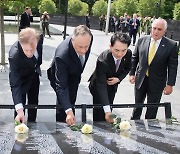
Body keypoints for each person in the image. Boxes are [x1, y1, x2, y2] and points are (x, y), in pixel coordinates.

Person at [129, 18, 178, 120]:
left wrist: (170, 84)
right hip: (141, 79)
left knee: (152, 108)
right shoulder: (142, 40)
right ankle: (134, 124)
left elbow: (173, 66)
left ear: (164, 31)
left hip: (157, 82)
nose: (155, 31)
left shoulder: (171, 45)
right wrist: (132, 73)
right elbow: (135, 57)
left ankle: (150, 129)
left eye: (159, 29)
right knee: (137, 105)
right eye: (154, 28)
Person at [47, 25, 93, 125]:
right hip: (60, 76)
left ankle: (71, 119)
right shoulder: (62, 55)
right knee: (63, 102)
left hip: (75, 72)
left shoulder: (89, 38)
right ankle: (61, 126)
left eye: (86, 46)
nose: (83, 50)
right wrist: (68, 110)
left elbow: (84, 49)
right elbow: (61, 86)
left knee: (72, 97)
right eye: (80, 47)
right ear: (72, 40)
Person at [88, 32, 132, 123]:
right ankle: (98, 130)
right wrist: (107, 110)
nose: (120, 54)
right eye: (116, 50)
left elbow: (128, 68)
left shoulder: (128, 54)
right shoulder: (102, 60)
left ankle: (108, 127)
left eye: (123, 50)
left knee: (109, 107)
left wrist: (119, 78)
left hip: (112, 85)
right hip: (98, 86)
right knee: (100, 110)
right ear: (110, 46)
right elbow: (101, 85)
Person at [9, 28, 43, 123]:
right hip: (21, 79)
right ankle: (19, 122)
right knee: (20, 105)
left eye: (32, 50)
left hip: (34, 75)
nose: (29, 53)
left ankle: (32, 122)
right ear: (21, 44)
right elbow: (15, 84)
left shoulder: (39, 41)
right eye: (26, 50)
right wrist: (19, 110)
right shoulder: (14, 56)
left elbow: (38, 58)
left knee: (34, 102)